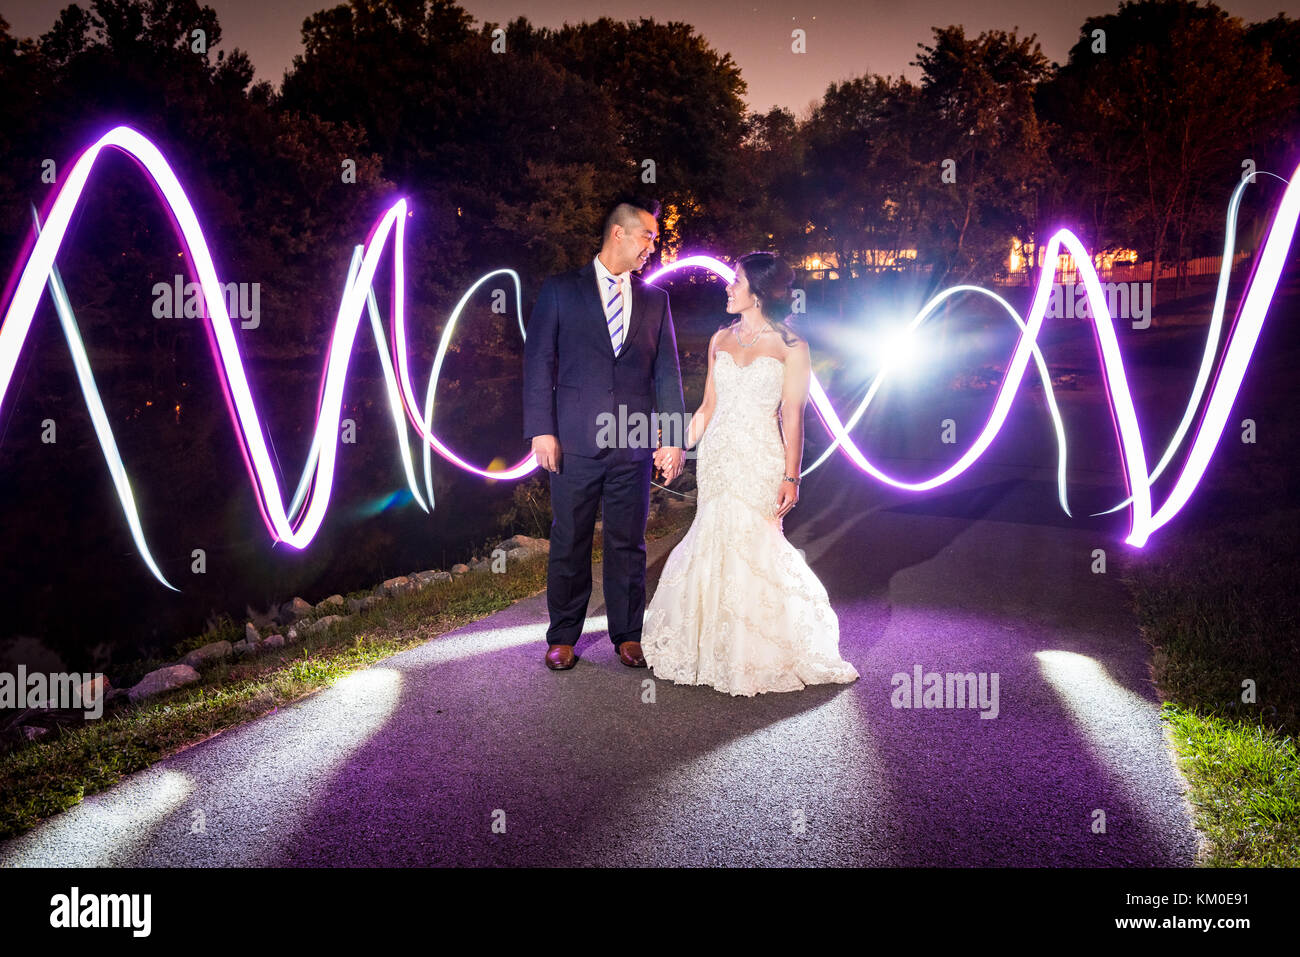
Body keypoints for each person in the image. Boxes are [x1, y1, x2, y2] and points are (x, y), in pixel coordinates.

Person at [641, 252, 859, 696]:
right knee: (713, 537)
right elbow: (707, 407)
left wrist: (792, 477)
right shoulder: (719, 339)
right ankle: (711, 646)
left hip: (760, 458)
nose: (727, 287)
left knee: (755, 546)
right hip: (719, 458)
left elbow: (793, 418)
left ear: (756, 291)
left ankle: (757, 650)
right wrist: (681, 445)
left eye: (735, 281)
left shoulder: (792, 347)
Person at [522, 195, 686, 671]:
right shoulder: (560, 290)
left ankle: (628, 635)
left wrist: (671, 437)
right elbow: (538, 365)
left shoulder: (657, 300)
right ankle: (563, 636)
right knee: (569, 537)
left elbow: (667, 374)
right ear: (620, 233)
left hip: (632, 442)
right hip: (573, 441)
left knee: (627, 542)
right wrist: (541, 431)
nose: (652, 247)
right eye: (648, 237)